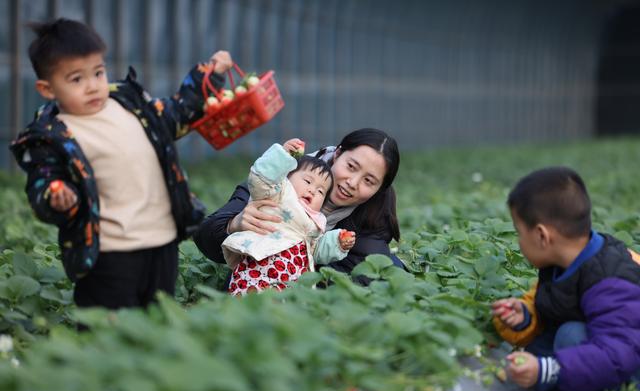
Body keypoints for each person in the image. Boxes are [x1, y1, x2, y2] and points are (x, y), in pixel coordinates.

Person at [9, 18, 232, 309]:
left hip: (162, 242)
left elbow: (179, 111)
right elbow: (44, 180)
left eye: (98, 73)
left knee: (156, 319)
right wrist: (56, 194)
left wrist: (210, 77)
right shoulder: (52, 136)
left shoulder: (131, 106)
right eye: (76, 79)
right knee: (108, 327)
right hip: (108, 253)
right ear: (47, 88)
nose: (92, 86)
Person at [491, 166, 640, 391]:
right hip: (605, 365)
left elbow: (618, 353)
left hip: (631, 388)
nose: (518, 241)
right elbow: (554, 307)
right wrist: (524, 316)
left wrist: (548, 370)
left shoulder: (611, 278)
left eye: (518, 232)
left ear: (541, 235)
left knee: (570, 336)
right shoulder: (563, 262)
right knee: (546, 345)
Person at [193, 128, 402, 282]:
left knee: (389, 269)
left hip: (302, 293)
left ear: (379, 188)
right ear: (337, 154)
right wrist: (233, 225)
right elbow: (206, 236)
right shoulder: (284, 178)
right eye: (351, 166)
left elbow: (365, 274)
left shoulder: (375, 212)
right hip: (258, 283)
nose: (353, 183)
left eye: (369, 181)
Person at [223, 140, 356, 295]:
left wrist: (336, 242)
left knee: (284, 309)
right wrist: (283, 157)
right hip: (259, 268)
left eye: (321, 191)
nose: (312, 190)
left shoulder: (315, 222)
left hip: (290, 281)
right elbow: (262, 178)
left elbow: (314, 249)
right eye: (307, 181)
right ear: (287, 177)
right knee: (250, 299)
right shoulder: (278, 193)